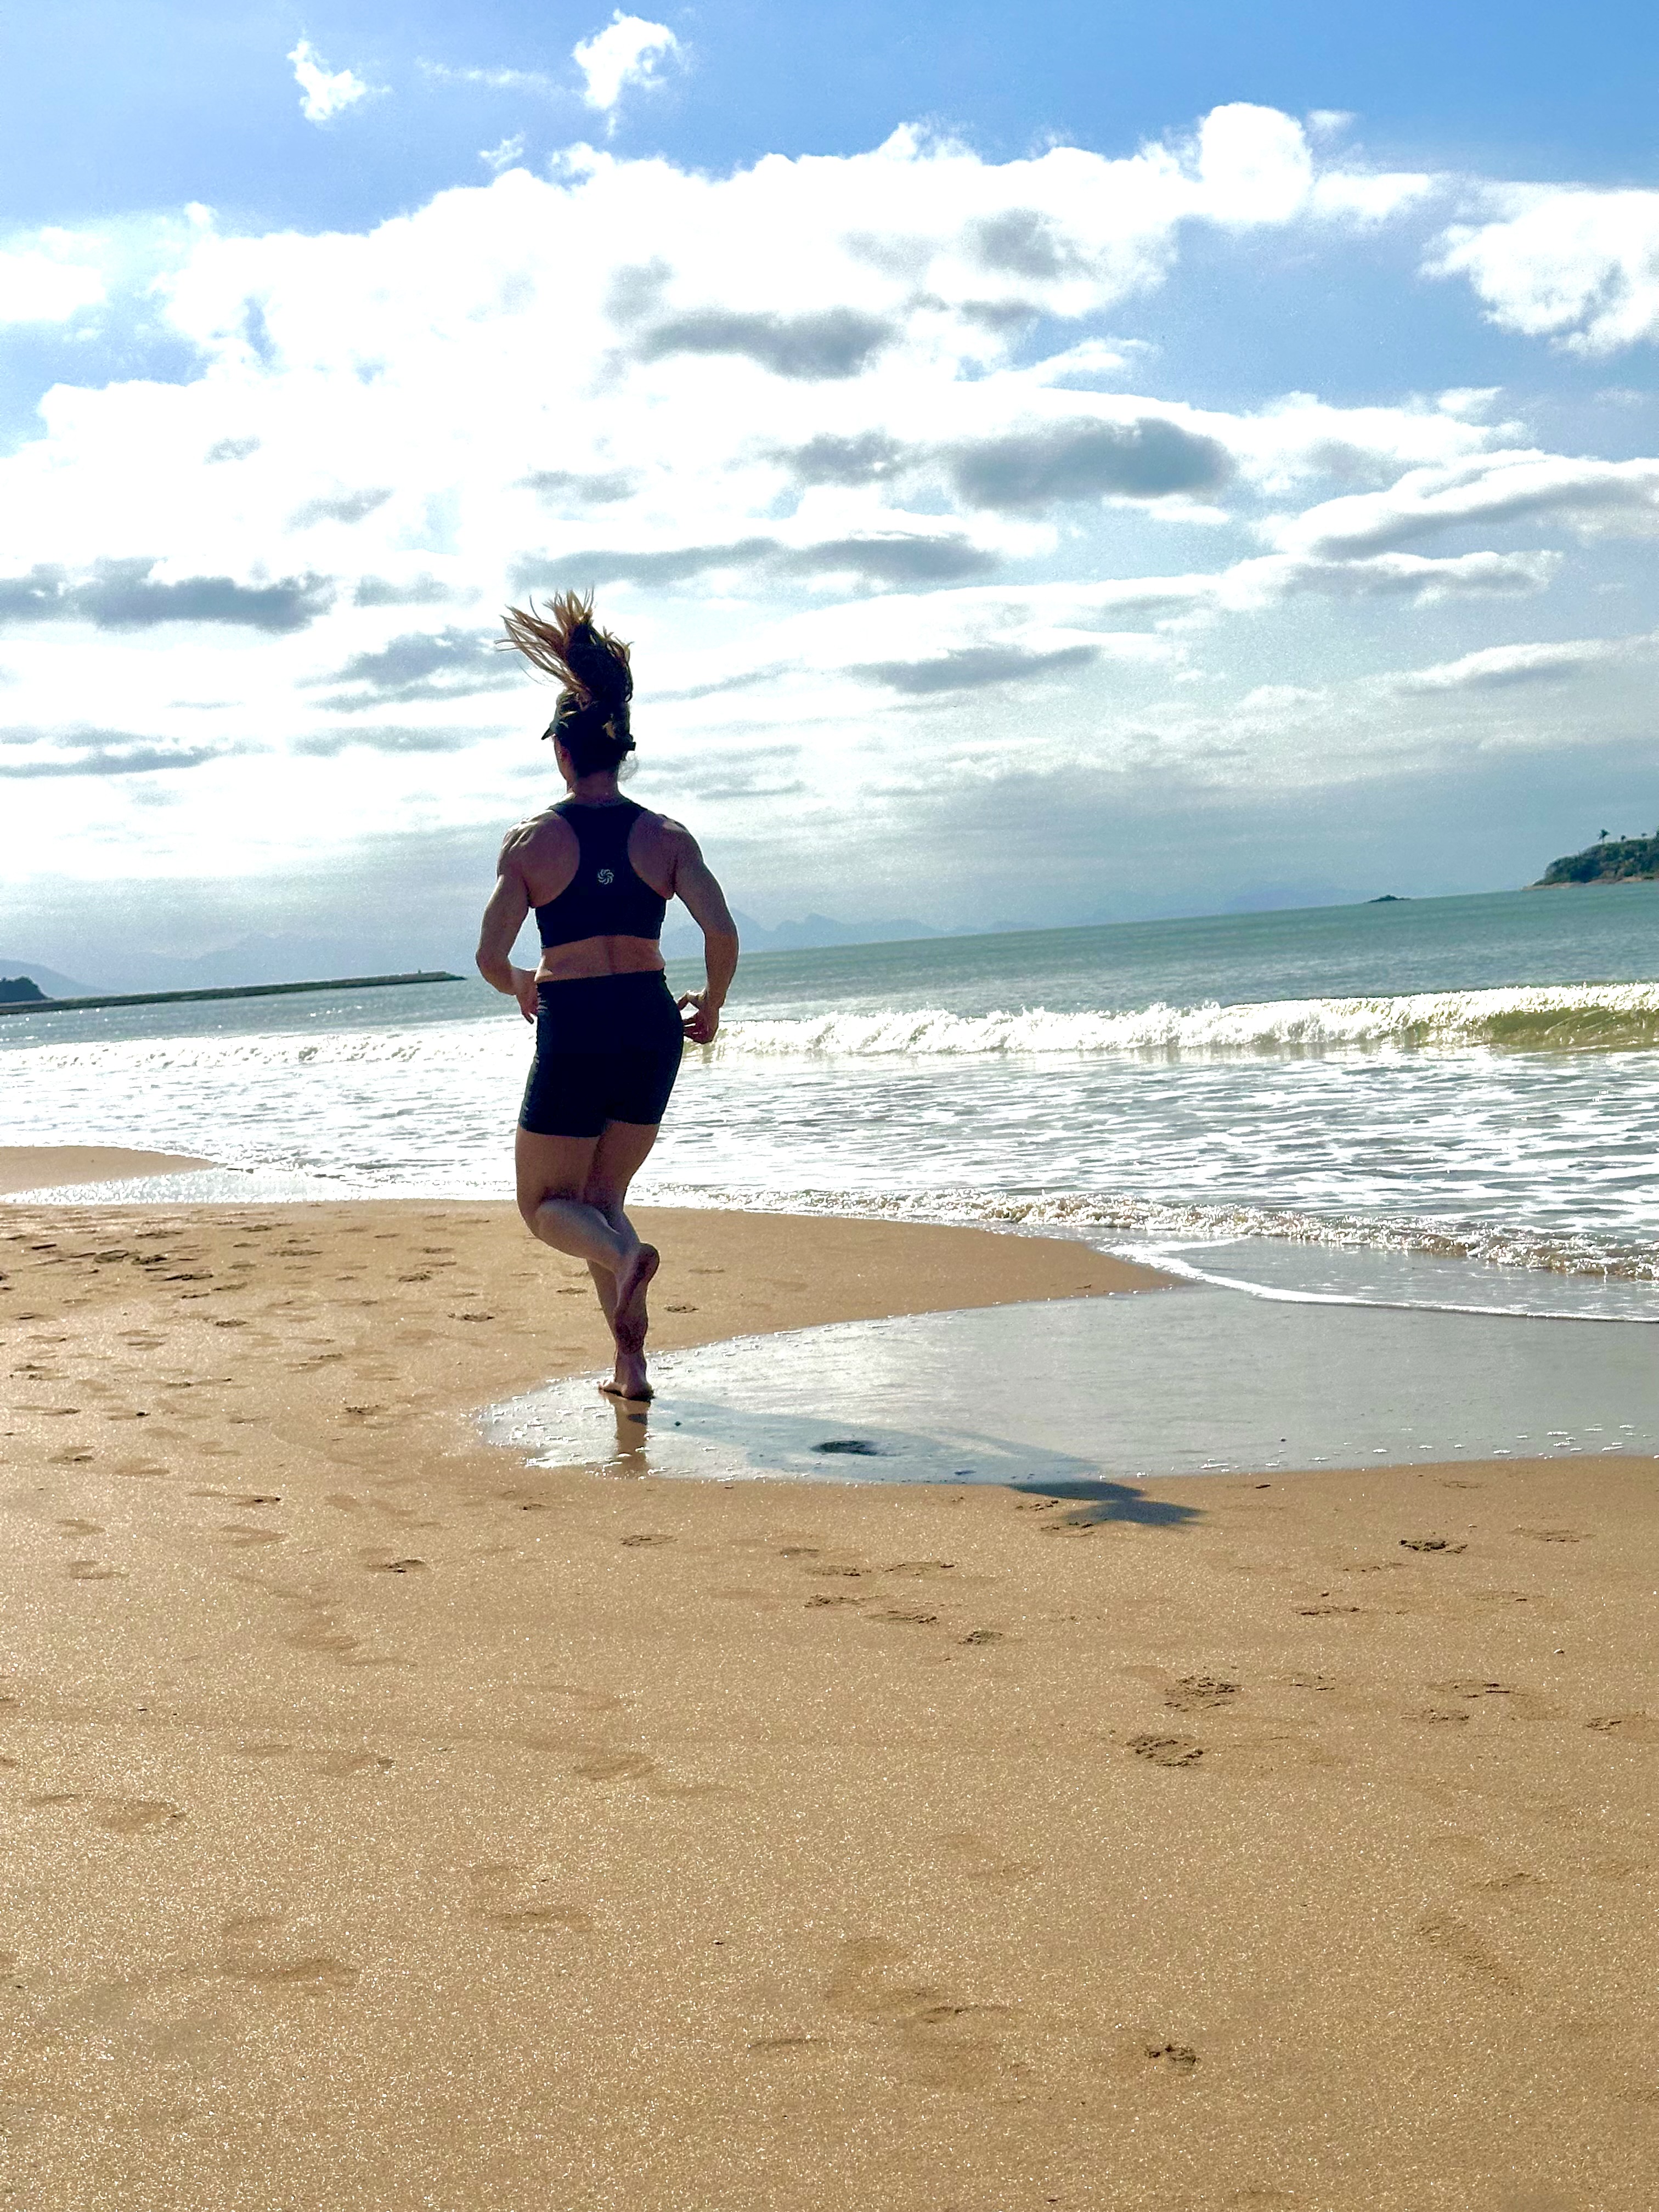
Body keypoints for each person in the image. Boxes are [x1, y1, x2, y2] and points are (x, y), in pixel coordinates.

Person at [476, 590, 739, 1401]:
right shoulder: (667, 836)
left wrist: (522, 982)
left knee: (547, 1206)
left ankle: (629, 1262)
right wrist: (714, 1003)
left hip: (578, 1022)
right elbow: (722, 932)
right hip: (652, 1023)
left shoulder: (533, 843)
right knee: (601, 1200)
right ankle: (630, 1367)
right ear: (618, 753)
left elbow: (489, 955)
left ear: (561, 752)